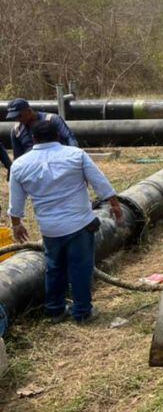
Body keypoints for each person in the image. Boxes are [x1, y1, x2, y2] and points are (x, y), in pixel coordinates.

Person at [8, 119, 123, 324]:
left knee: (54, 268)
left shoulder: (19, 165)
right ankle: (82, 312)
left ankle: (55, 310)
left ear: (33, 138)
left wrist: (16, 225)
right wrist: (114, 204)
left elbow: (15, 203)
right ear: (58, 136)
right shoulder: (75, 155)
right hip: (79, 224)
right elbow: (100, 182)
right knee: (80, 268)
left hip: (50, 229)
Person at [7, 98, 78, 160]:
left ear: (29, 110)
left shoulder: (52, 120)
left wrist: (74, 157)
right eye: (15, 117)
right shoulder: (17, 130)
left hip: (58, 162)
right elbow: (18, 157)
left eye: (19, 116)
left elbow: (70, 138)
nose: (18, 119)